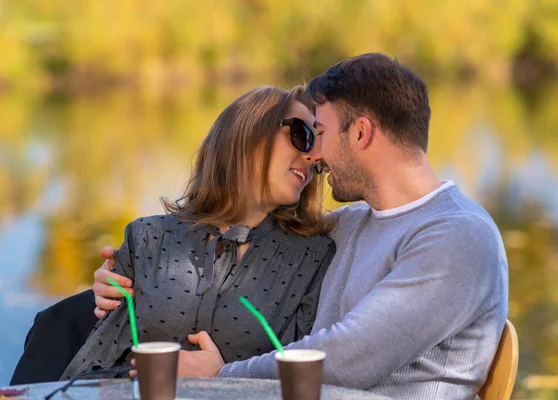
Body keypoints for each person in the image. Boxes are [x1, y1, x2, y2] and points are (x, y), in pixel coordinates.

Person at [94, 53, 508, 399]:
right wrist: (124, 277)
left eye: (321, 133)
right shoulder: (350, 225)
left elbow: (350, 358)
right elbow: (240, 235)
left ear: (361, 133)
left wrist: (225, 379)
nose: (315, 156)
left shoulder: (457, 236)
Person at [55, 85, 336, 381]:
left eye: (320, 150)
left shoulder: (314, 257)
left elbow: (299, 381)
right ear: (249, 132)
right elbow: (93, 368)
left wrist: (224, 378)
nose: (315, 156)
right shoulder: (147, 238)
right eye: (302, 136)